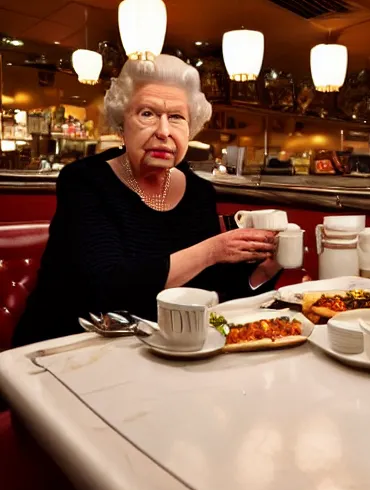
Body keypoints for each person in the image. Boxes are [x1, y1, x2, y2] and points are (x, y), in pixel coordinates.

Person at [12, 55, 281, 346]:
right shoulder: (84, 182)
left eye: (177, 117)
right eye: (148, 114)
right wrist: (210, 251)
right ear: (121, 124)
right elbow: (106, 288)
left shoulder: (199, 192)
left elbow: (209, 290)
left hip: (158, 348)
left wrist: (266, 268)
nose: (164, 131)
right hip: (66, 347)